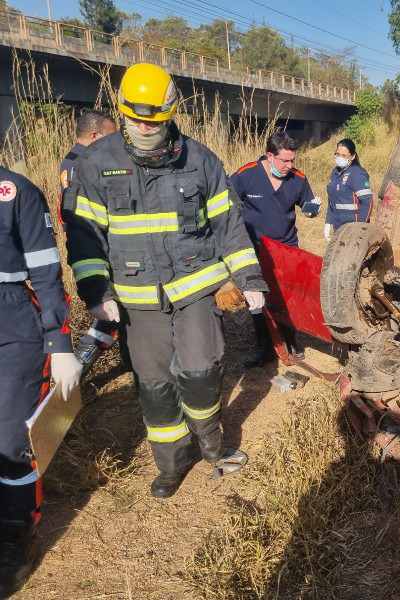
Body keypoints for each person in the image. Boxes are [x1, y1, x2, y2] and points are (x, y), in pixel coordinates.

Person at [61, 63, 268, 499]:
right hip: (138, 302)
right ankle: (172, 465)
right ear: (121, 114)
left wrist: (248, 278)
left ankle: (213, 448)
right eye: (134, 120)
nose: (143, 128)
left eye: (152, 122)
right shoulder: (98, 164)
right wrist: (97, 292)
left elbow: (229, 226)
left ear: (170, 115)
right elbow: (84, 237)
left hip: (195, 287)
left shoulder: (201, 160)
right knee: (155, 388)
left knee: (201, 372)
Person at [0, 168, 83, 595]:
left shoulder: (16, 193)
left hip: (11, 320)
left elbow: (47, 272)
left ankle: (16, 535)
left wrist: (60, 342)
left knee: (10, 440)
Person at [230, 131, 321, 367]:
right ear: (270, 155)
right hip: (255, 250)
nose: (290, 166)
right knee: (258, 301)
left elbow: (308, 203)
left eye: (293, 160)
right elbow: (226, 201)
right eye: (284, 160)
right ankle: (266, 348)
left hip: (287, 250)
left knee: (288, 299)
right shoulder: (246, 174)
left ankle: (292, 341)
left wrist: (312, 208)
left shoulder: (298, 179)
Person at [59, 110, 122, 369]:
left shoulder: (72, 159)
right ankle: (77, 371)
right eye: (111, 136)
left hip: (93, 242)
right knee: (111, 316)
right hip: (96, 246)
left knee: (119, 315)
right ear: (96, 135)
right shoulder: (85, 163)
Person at [323, 138, 373, 241]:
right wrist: (328, 222)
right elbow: (332, 201)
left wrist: (360, 228)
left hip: (353, 230)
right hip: (338, 228)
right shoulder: (335, 173)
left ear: (353, 156)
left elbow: (367, 202)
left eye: (344, 155)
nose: (339, 157)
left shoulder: (357, 174)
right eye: (337, 154)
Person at [59, 109, 117, 192]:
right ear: (94, 136)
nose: (115, 141)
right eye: (111, 137)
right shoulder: (93, 163)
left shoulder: (70, 159)